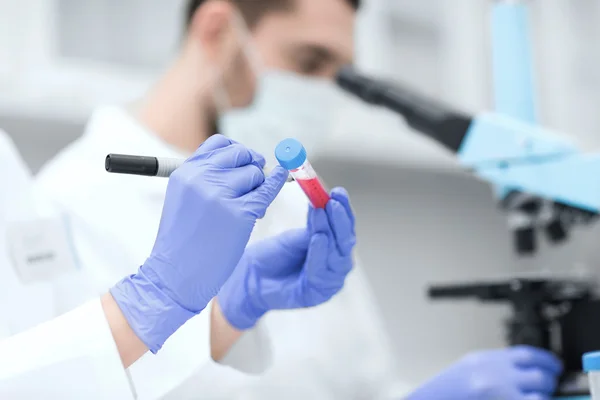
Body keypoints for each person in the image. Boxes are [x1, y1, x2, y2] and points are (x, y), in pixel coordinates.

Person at [35, 0, 563, 399]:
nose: (321, 94)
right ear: (218, 30)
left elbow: (363, 386)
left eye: (337, 75)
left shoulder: (292, 198)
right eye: (308, 61)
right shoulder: (68, 205)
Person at [0, 132, 291, 398]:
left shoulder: (6, 158)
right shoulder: (74, 186)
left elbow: (83, 354)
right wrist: (154, 296)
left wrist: (229, 314)